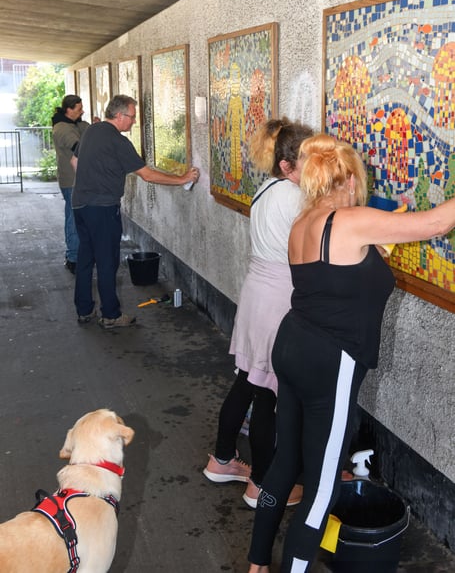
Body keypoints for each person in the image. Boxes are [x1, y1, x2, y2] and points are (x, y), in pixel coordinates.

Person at [247, 133, 455, 573]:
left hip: (292, 344)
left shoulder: (304, 222)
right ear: (349, 179)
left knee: (285, 462)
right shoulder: (350, 220)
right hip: (330, 359)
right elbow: (437, 222)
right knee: (322, 489)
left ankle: (257, 564)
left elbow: (335, 279)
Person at [203, 117, 313, 508]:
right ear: (287, 165)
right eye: (310, 160)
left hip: (257, 294)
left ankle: (222, 459)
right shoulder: (294, 195)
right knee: (267, 394)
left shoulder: (267, 187)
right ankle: (263, 485)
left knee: (249, 382)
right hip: (279, 299)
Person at [72, 94, 199, 329]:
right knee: (107, 261)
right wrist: (182, 179)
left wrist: (93, 178)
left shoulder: (91, 130)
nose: (133, 122)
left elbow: (74, 162)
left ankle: (83, 309)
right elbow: (147, 175)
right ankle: (110, 315)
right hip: (103, 208)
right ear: (119, 115)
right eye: (131, 117)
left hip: (80, 204)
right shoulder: (118, 142)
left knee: (86, 257)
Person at [52, 95, 89, 274]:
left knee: (80, 218)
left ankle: (80, 254)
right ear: (68, 109)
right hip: (71, 181)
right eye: (78, 108)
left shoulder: (78, 124)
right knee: (73, 219)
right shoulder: (62, 128)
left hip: (81, 180)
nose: (82, 111)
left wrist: (97, 128)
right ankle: (73, 257)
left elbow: (88, 133)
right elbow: (79, 148)